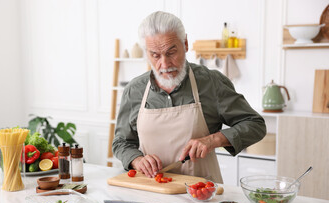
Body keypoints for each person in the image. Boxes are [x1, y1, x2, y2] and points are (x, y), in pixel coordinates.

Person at [112, 11, 266, 183]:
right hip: (151, 191)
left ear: (185, 43)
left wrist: (213, 140)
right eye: (155, 55)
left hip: (202, 193)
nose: (164, 64)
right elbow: (121, 142)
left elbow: (255, 125)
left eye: (171, 52)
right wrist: (137, 159)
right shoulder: (134, 90)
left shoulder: (211, 83)